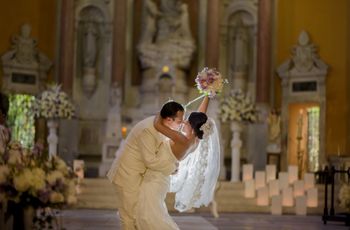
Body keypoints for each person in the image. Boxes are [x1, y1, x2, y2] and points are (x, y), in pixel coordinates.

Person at [135, 96, 220, 229]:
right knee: (150, 215)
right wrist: (207, 95)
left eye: (186, 120)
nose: (184, 121)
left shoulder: (180, 138)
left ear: (191, 125)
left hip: (154, 180)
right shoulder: (194, 141)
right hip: (161, 179)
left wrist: (165, 112)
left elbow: (158, 125)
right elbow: (201, 115)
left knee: (149, 218)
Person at [107, 101, 185, 230]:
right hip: (127, 174)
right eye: (179, 120)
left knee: (137, 214)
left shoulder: (160, 126)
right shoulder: (148, 130)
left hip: (138, 174)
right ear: (169, 119)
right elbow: (150, 160)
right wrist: (172, 167)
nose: (182, 123)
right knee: (128, 216)